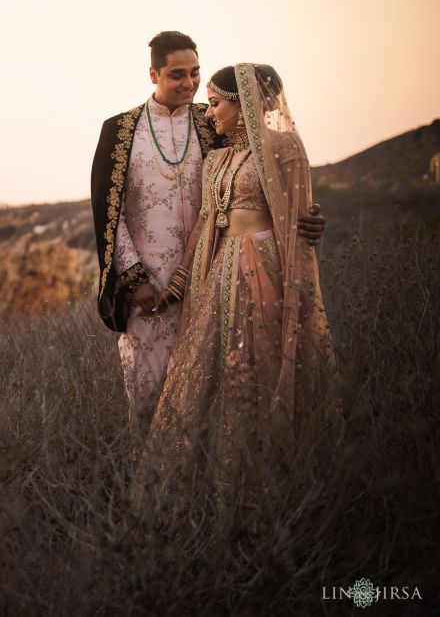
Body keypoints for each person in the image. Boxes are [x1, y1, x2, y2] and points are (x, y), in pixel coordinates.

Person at [90, 32, 326, 442]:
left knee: (215, 392)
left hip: (215, 278)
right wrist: (134, 280)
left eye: (195, 72)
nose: (189, 83)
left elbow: (265, 182)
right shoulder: (120, 131)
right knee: (147, 394)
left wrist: (308, 219)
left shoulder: (215, 122)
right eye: (177, 74)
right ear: (153, 74)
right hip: (149, 286)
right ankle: (153, 488)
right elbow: (109, 215)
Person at [138, 63, 344, 509]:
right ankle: (195, 496)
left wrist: (310, 234)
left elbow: (297, 217)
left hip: (264, 270)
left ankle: (261, 492)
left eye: (216, 103)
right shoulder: (218, 157)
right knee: (207, 372)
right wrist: (177, 284)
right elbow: (202, 227)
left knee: (253, 372)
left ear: (248, 102)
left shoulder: (284, 149)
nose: (210, 114)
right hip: (219, 273)